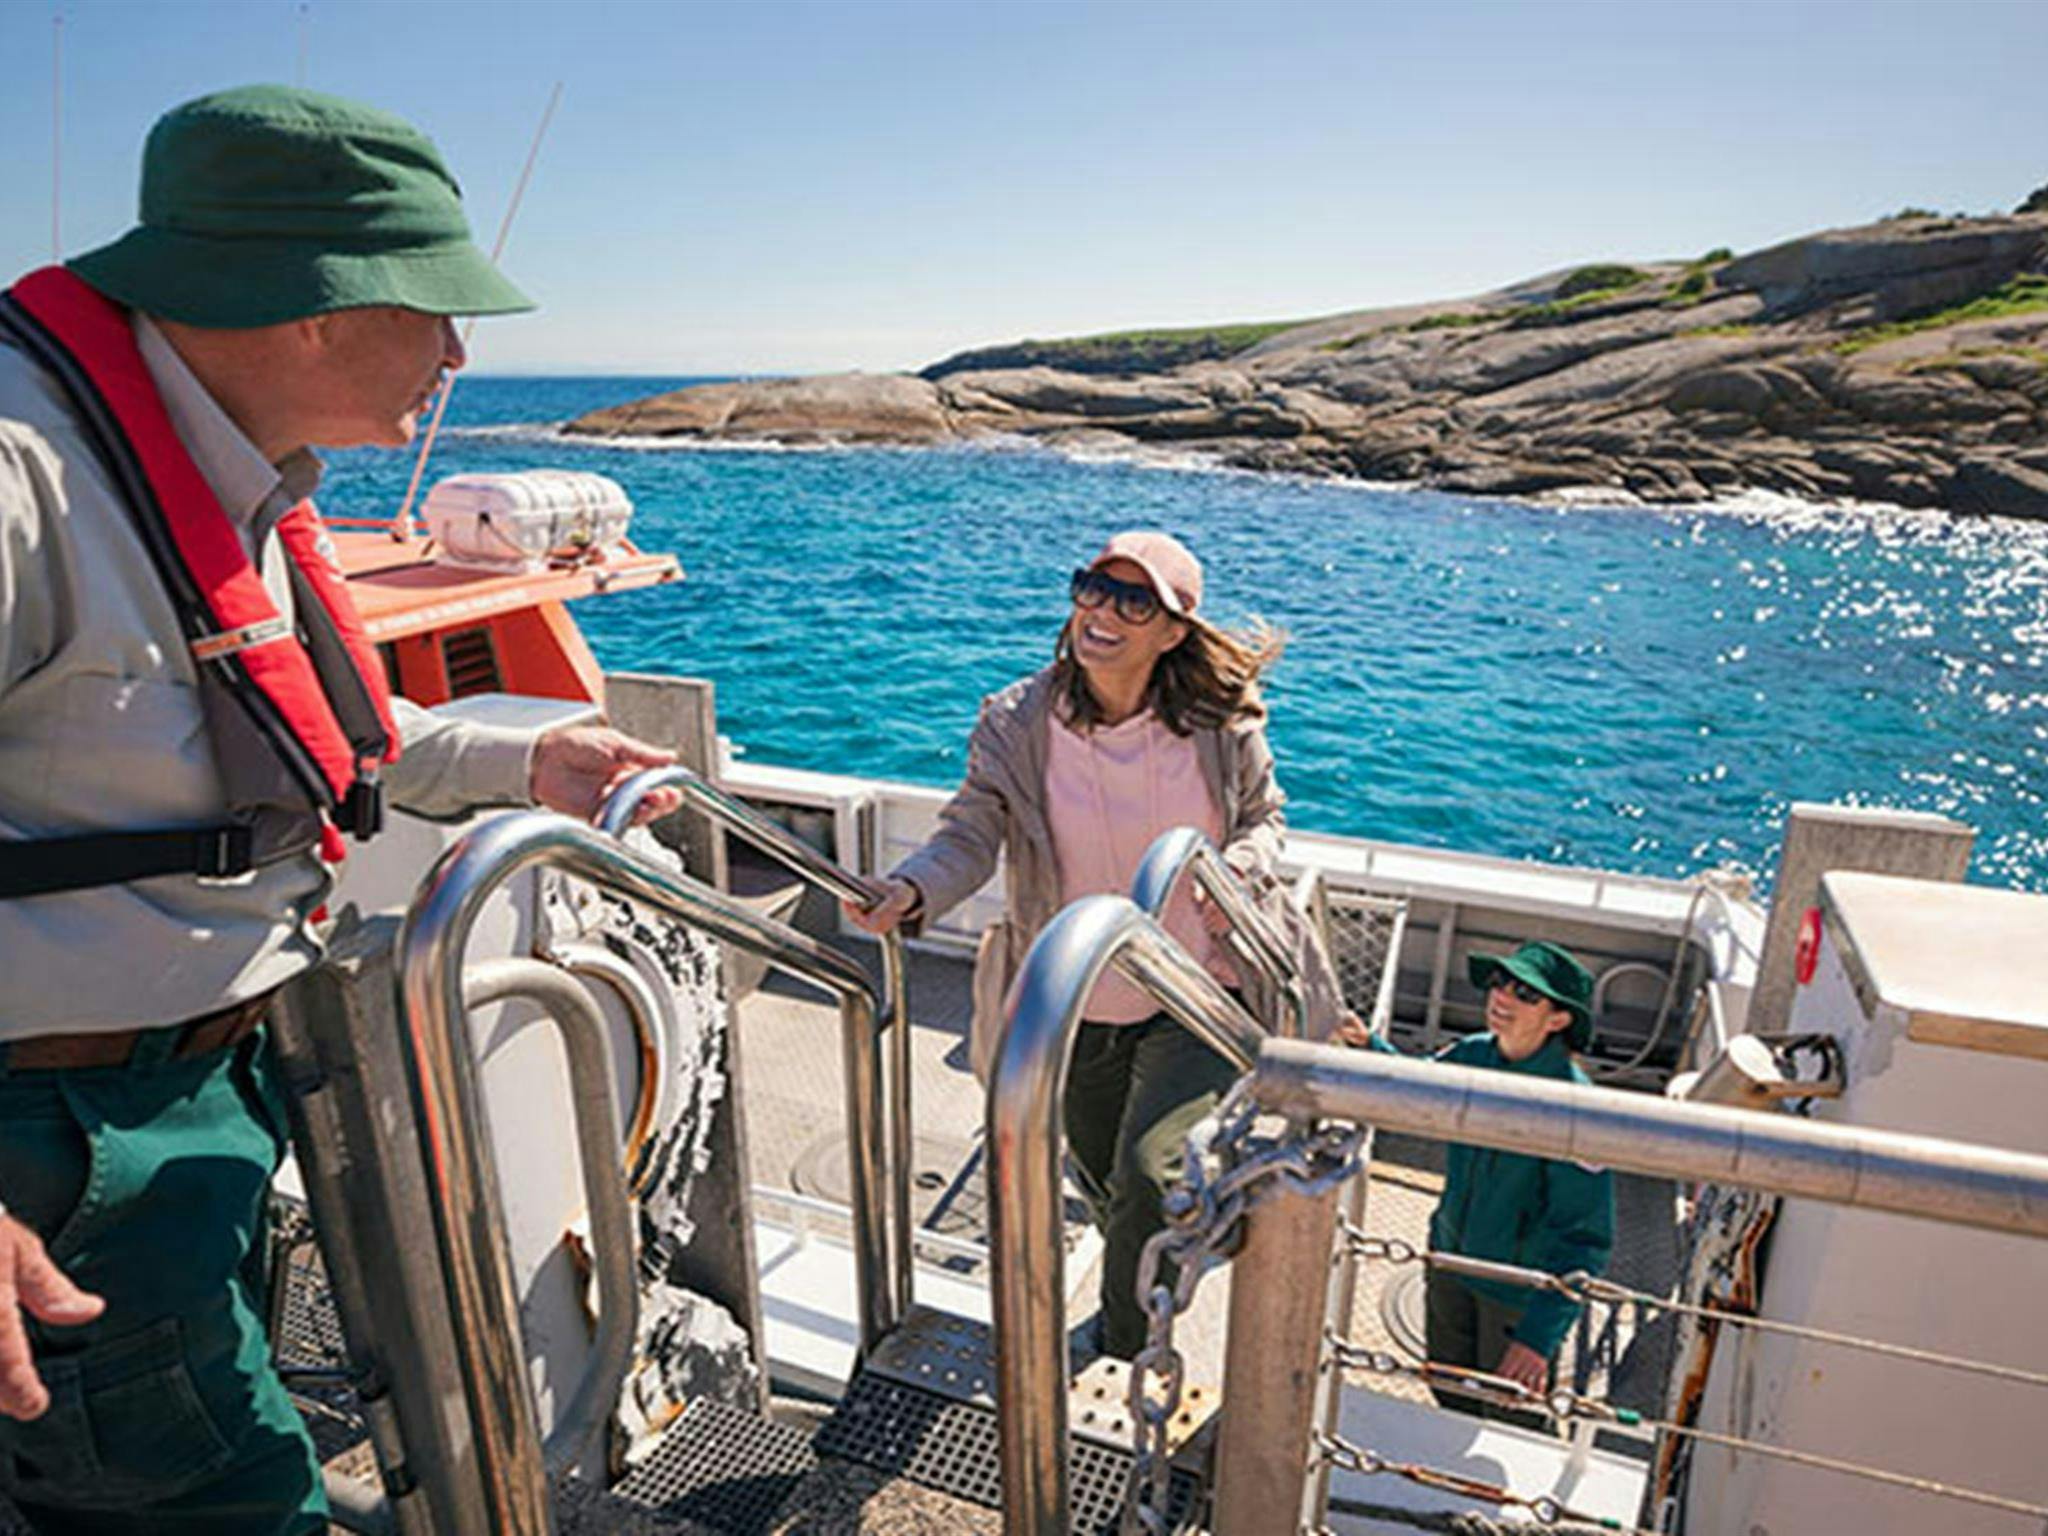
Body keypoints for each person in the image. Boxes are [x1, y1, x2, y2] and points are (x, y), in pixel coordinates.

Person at [0, 85, 683, 1534]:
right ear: (309, 304)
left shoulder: (215, 466)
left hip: (199, 1102)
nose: (455, 354)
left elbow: (266, 729)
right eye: (436, 311)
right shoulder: (20, 474)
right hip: (54, 1137)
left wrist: (522, 762)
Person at [846, 530, 1344, 1359]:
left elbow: (1265, 817)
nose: (1100, 611)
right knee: (1103, 1175)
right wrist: (913, 889)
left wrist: (1235, 872)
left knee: (1148, 1177)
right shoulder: (1016, 721)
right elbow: (970, 831)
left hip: (1200, 994)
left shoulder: (1221, 724)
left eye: (1132, 600)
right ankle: (1186, 1239)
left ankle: (1121, 1349)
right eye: (1091, 588)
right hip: (1074, 1001)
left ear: (1174, 630)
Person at [1345, 940, 1615, 1425]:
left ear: (1558, 1020)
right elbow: (1418, 1083)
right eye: (1499, 984)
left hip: (1514, 1293)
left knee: (1510, 1415)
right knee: (1446, 1388)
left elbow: (1584, 1239)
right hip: (1448, 1260)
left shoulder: (1577, 1109)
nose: (1502, 999)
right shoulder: (1473, 1054)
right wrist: (1368, 1047)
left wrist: (1537, 1338)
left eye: (1525, 995)